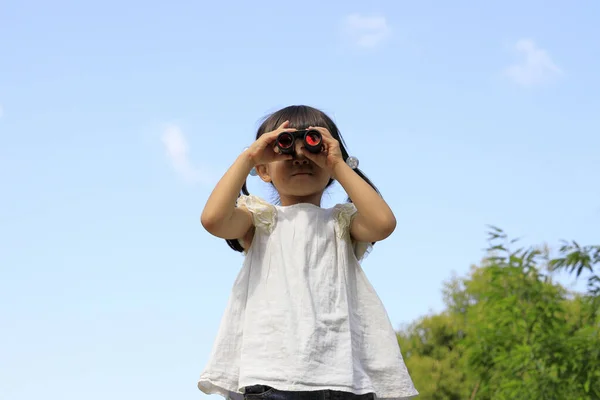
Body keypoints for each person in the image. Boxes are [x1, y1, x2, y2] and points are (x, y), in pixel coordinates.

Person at [197, 105, 418, 400]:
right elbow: (213, 219)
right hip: (272, 373)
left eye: (312, 148)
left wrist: (338, 165)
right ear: (263, 169)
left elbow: (383, 224)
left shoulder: (342, 222)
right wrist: (249, 156)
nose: (300, 157)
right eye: (284, 149)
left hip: (342, 376)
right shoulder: (261, 220)